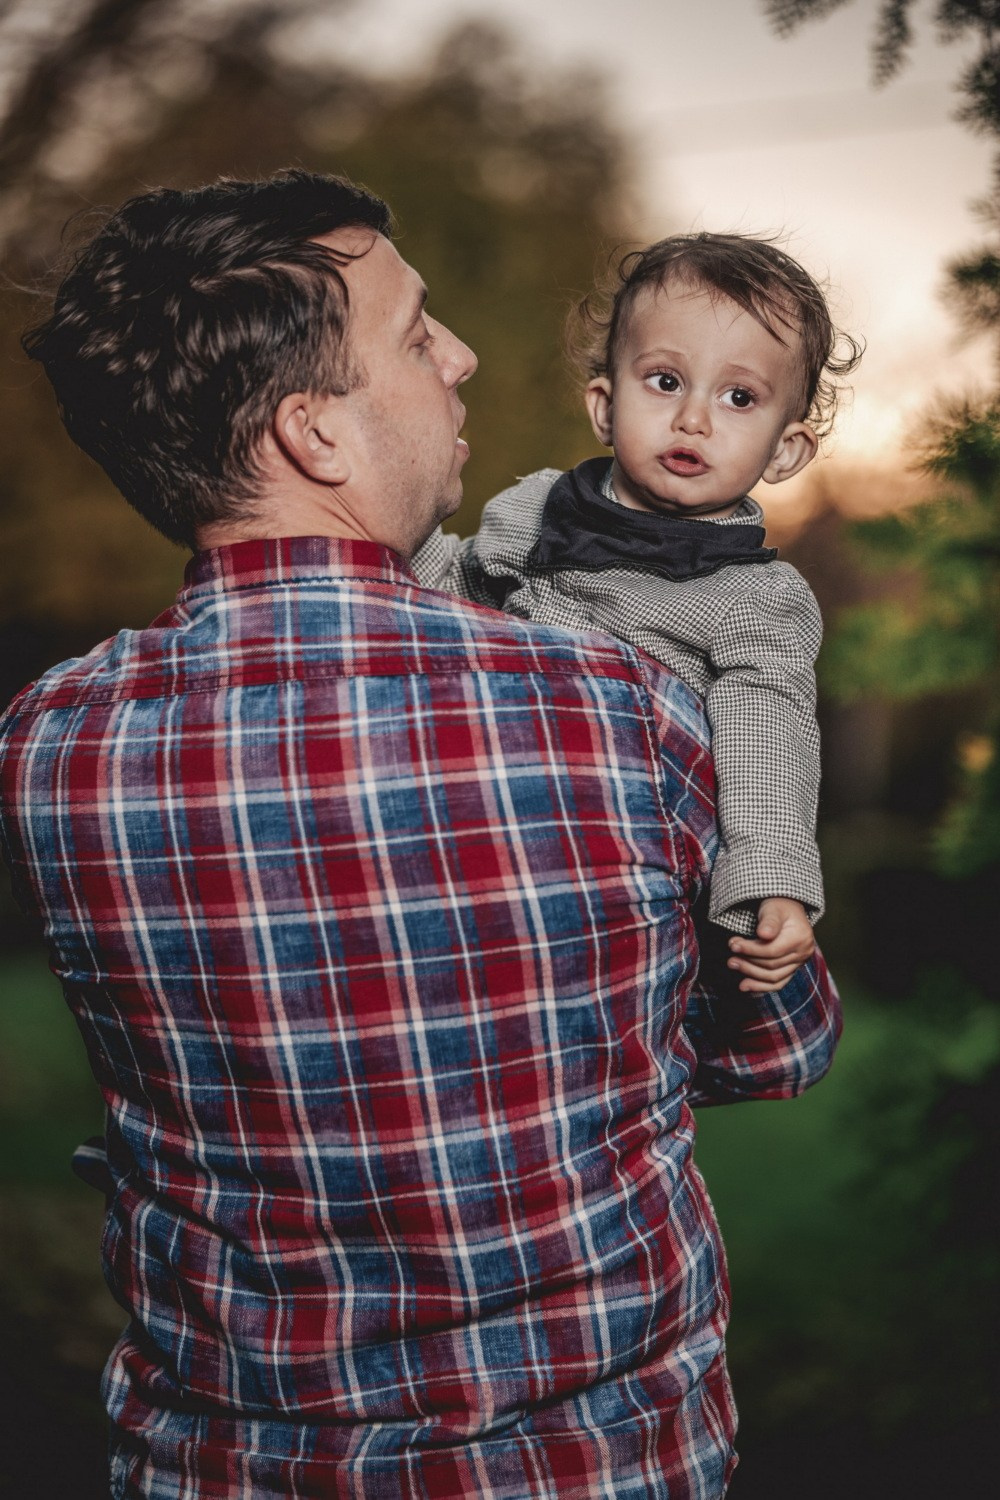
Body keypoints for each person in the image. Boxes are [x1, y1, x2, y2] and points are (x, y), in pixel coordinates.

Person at [0, 171, 841, 1499]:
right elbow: (781, 1040)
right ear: (314, 435)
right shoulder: (617, 706)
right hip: (591, 1467)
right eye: (413, 334)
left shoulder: (50, 748)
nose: (462, 357)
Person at [414, 233, 864, 995]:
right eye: (664, 381)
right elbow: (451, 594)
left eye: (739, 398)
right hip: (478, 805)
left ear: (786, 453)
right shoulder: (533, 509)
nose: (694, 419)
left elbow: (771, 730)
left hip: (617, 853)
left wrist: (773, 878)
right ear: (604, 403)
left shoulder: (754, 597)